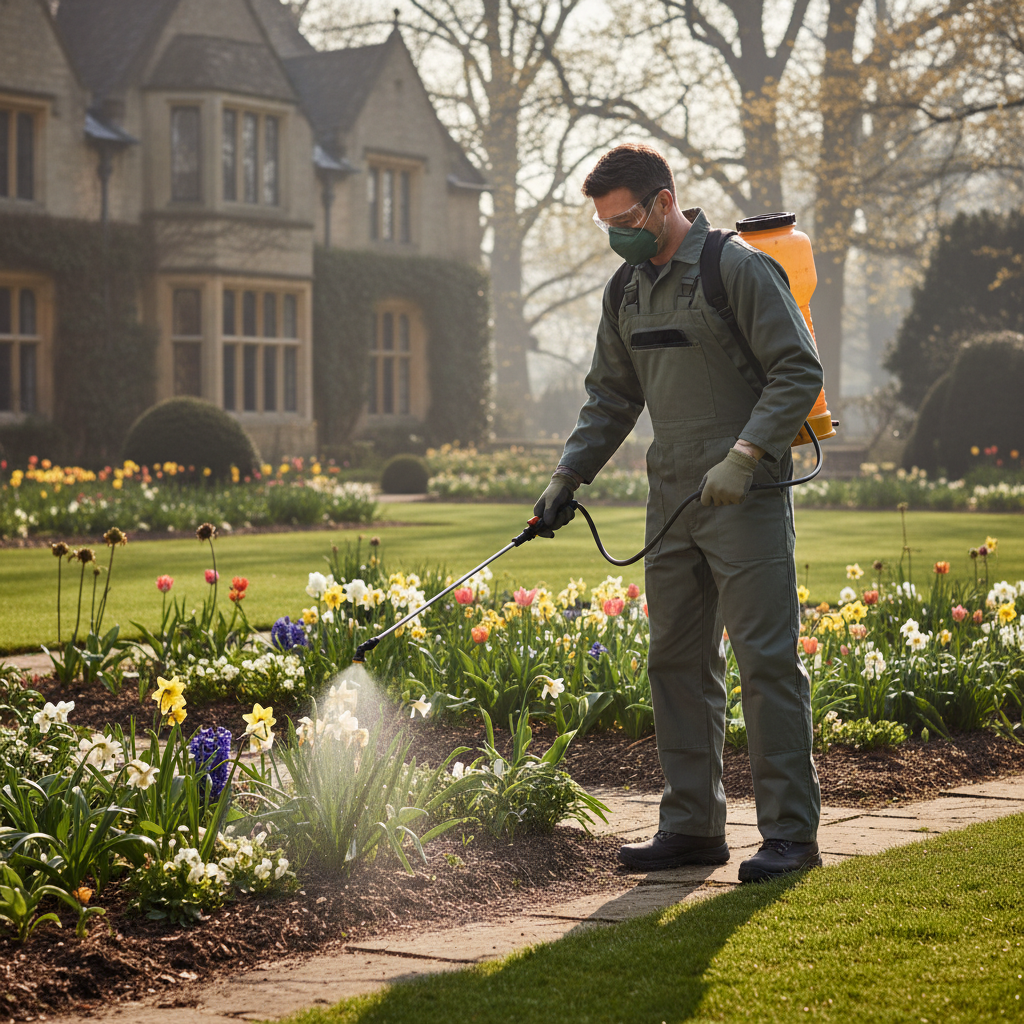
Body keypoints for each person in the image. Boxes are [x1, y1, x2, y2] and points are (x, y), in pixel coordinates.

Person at [535, 143, 824, 882]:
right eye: (606, 224)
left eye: (626, 218)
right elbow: (611, 395)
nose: (617, 234)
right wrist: (569, 474)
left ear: (664, 202)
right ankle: (692, 827)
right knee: (675, 663)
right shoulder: (626, 290)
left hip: (744, 493)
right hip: (670, 498)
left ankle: (790, 835)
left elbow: (797, 367)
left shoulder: (738, 270)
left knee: (767, 663)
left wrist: (749, 453)